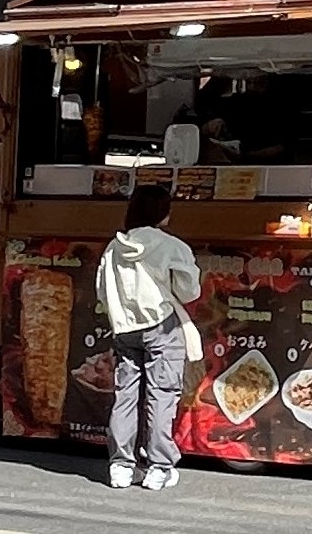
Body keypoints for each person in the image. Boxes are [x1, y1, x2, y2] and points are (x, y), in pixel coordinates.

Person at [95, 185, 203, 490]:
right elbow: (190, 290)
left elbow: (102, 291)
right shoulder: (172, 247)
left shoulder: (114, 248)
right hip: (163, 327)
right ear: (162, 213)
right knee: (161, 395)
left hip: (125, 329)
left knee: (125, 395)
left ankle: (120, 465)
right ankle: (159, 466)